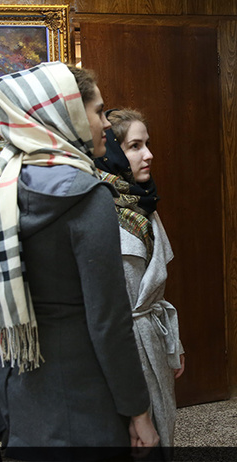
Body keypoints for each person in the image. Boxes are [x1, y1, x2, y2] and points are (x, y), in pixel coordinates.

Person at [0, 62, 159, 459]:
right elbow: (109, 322)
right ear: (69, 116)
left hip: (20, 389)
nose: (107, 125)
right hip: (83, 398)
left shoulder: (2, 187)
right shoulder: (85, 195)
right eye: (97, 112)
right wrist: (139, 411)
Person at [94, 109, 185, 451]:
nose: (148, 155)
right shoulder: (98, 211)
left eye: (147, 144)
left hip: (150, 336)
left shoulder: (143, 205)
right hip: (123, 353)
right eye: (135, 146)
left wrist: (173, 344)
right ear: (112, 152)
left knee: (161, 432)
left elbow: (154, 293)